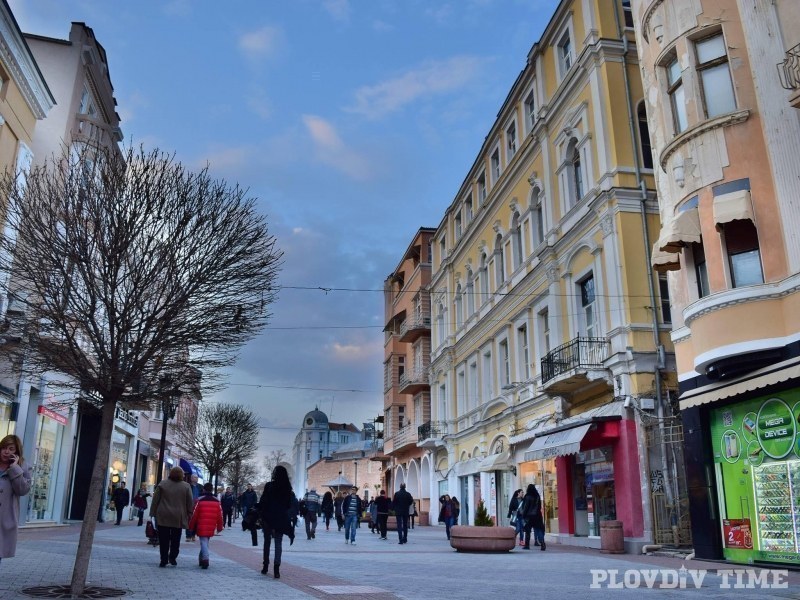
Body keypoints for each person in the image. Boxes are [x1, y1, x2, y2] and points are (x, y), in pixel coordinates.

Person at [150, 465, 194, 567]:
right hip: (178, 516)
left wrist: (152, 513)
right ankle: (173, 557)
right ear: (182, 475)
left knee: (164, 539)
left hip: (163, 515)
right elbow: (189, 502)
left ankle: (163, 559)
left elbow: (155, 500)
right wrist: (189, 513)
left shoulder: (163, 484)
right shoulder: (186, 486)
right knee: (175, 539)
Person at [257, 465, 295, 579]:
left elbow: (263, 501)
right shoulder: (287, 488)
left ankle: (265, 566)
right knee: (278, 543)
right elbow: (289, 505)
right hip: (281, 518)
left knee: (267, 541)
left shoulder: (269, 486)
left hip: (268, 517)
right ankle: (276, 569)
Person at [0, 434, 30, 563]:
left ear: (16, 452)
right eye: (4, 448)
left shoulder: (22, 468)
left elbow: (22, 490)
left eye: (11, 449)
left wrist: (14, 468)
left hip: (3, 521)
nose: (6, 452)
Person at [187, 482, 223, 569]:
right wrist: (219, 527)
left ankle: (205, 559)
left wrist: (190, 526)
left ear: (204, 489)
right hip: (211, 525)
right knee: (205, 542)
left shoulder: (199, 500)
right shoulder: (217, 501)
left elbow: (194, 515)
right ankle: (201, 559)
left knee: (203, 542)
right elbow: (220, 515)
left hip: (201, 524)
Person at [519, 483, 546, 550]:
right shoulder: (537, 496)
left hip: (529, 516)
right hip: (537, 516)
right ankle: (542, 543)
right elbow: (539, 506)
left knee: (528, 531)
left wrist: (523, 515)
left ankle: (527, 545)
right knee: (539, 530)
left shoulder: (527, 496)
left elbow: (525, 507)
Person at [185, 473, 202, 542]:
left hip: (198, 506)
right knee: (189, 521)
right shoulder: (188, 486)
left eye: (197, 478)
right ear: (191, 478)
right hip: (190, 506)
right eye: (195, 477)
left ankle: (193, 535)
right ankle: (188, 536)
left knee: (196, 522)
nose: (196, 479)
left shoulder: (200, 487)